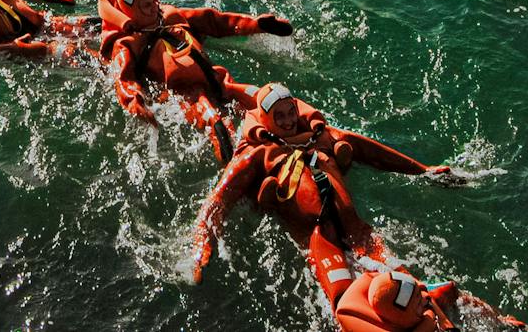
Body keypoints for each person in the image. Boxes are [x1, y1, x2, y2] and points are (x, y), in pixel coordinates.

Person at [190, 82, 463, 281]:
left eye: (290, 113)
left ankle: (428, 301)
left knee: (403, 280)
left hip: (355, 226)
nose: (287, 122)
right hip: (316, 235)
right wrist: (203, 242)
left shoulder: (320, 135)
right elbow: (218, 200)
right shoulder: (258, 152)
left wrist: (423, 171)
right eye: (279, 116)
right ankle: (267, 197)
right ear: (265, 119)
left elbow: (375, 153)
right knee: (343, 294)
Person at [98, 0, 292, 157]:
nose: (154, 3)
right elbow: (124, 79)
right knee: (217, 125)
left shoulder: (171, 15)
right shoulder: (128, 43)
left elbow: (216, 21)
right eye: (146, 4)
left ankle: (298, 136)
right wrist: (134, 101)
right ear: (133, 13)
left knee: (267, 99)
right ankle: (238, 168)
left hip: (218, 79)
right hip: (186, 93)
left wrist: (256, 24)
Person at [305, 230, 528, 332]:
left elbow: (378, 280)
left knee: (447, 291)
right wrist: (430, 319)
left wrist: (428, 309)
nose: (424, 298)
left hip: (382, 294)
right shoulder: (363, 319)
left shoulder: (394, 299)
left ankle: (506, 322)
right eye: (419, 303)